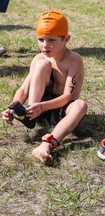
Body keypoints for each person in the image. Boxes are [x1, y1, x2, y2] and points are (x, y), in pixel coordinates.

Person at [1, 10, 88, 165]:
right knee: (41, 64)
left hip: (60, 111)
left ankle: (47, 144)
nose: (45, 45)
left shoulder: (74, 60)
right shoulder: (40, 58)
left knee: (81, 105)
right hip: (36, 109)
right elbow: (24, 89)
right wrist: (14, 107)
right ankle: (28, 116)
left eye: (51, 40)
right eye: (41, 39)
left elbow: (68, 96)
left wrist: (42, 106)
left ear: (66, 39)